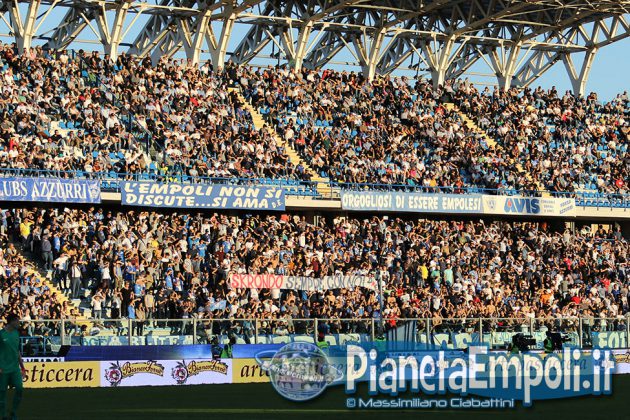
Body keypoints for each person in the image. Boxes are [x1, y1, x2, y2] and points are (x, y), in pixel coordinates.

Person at [0, 314, 26, 420]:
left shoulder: (16, 333)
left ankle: (13, 413)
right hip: (3, 369)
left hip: (15, 368)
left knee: (19, 389)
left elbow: (17, 351)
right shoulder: (1, 334)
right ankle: (3, 415)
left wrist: (22, 367)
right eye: (17, 321)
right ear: (11, 322)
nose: (19, 323)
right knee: (2, 393)